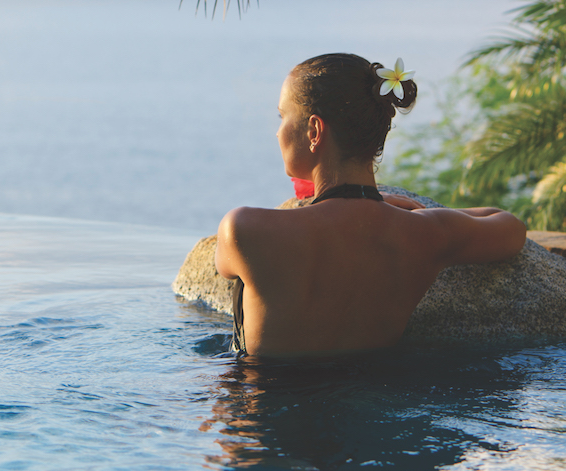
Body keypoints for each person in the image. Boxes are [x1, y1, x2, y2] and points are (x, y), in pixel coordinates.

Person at [215, 53, 527, 358]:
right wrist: (422, 214)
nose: (278, 131)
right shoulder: (426, 236)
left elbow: (225, 265)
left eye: (283, 116)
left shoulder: (245, 230)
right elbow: (510, 227)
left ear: (314, 131)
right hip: (370, 398)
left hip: (263, 402)